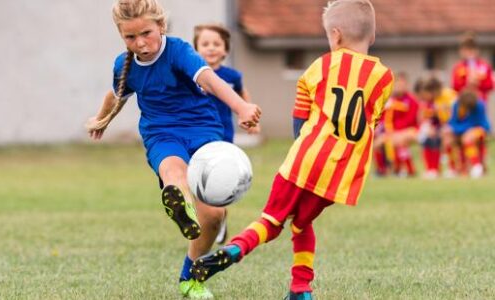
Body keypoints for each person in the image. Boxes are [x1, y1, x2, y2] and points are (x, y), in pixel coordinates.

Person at [190, 1, 393, 299]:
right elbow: (371, 120)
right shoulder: (384, 77)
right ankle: (301, 289)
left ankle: (235, 249)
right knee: (301, 223)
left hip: (304, 162)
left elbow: (300, 116)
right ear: (372, 37)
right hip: (340, 173)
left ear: (335, 36)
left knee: (271, 221)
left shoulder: (322, 66)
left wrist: (302, 145)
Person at [85, 0, 261, 298]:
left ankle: (191, 276)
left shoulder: (178, 50)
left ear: (161, 27)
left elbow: (210, 80)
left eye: (146, 33)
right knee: (172, 169)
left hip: (203, 131)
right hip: (161, 134)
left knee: (215, 216)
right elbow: (116, 94)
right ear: (121, 36)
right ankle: (179, 202)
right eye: (130, 37)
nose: (140, 43)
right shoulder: (124, 65)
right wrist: (101, 119)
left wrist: (241, 106)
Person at [192, 23, 261, 245]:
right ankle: (204, 218)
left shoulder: (232, 76)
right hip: (196, 136)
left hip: (223, 138)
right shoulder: (192, 75)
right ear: (196, 49)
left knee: (220, 181)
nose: (211, 48)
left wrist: (249, 117)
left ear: (225, 50)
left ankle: (219, 218)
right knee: (196, 180)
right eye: (205, 44)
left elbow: (242, 93)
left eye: (216, 44)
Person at [373, 72, 419, 177]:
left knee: (399, 140)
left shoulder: (412, 101)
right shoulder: (388, 100)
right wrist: (380, 129)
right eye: (398, 85)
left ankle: (408, 169)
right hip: (390, 132)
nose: (400, 87)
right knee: (378, 143)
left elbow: (410, 120)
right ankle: (383, 170)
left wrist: (394, 131)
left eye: (402, 85)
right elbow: (381, 118)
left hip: (409, 130)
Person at [415, 75, 457, 178]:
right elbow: (433, 117)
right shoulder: (434, 100)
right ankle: (432, 169)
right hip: (442, 126)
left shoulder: (450, 95)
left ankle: (453, 168)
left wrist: (447, 126)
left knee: (446, 137)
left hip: (455, 125)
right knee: (427, 138)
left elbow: (457, 114)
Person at [442, 90, 490, 178]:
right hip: (462, 130)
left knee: (467, 138)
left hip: (480, 129)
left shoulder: (479, 105)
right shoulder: (456, 105)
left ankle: (477, 166)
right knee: (447, 137)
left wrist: (458, 129)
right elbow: (453, 121)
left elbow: (475, 123)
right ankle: (453, 169)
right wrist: (449, 128)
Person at [451, 32, 493, 103]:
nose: (469, 53)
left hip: (480, 101)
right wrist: (467, 83)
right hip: (463, 101)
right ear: (461, 51)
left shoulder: (484, 66)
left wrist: (478, 83)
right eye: (466, 50)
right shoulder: (458, 67)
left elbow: (490, 85)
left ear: (477, 50)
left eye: (471, 49)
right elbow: (455, 86)